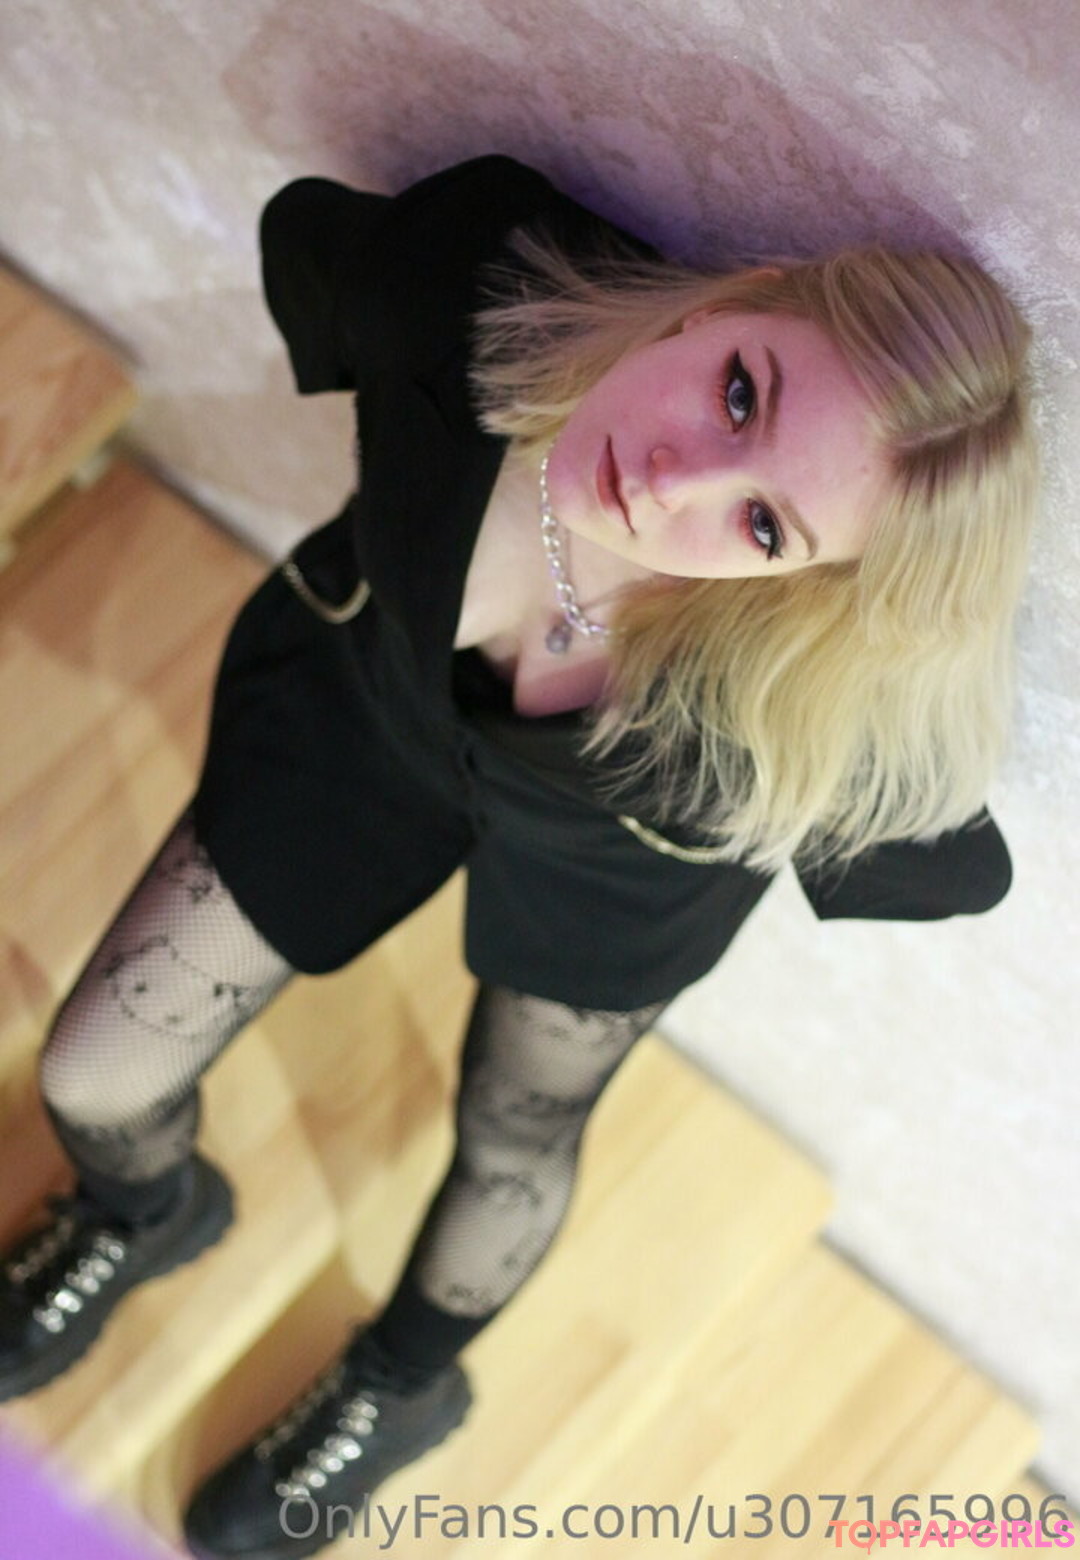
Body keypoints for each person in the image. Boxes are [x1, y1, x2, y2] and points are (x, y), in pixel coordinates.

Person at [0, 155, 1039, 1559]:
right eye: (742, 393)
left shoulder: (811, 705)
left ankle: (403, 1384)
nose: (673, 479)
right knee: (90, 1070)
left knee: (518, 1136)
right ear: (738, 299)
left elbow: (943, 863)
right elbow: (311, 247)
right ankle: (143, 1210)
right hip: (368, 708)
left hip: (617, 865)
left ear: (808, 582)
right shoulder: (477, 285)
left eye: (763, 524)